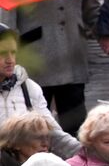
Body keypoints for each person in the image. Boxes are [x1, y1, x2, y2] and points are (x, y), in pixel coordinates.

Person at [0, 0, 99, 133]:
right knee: (34, 124)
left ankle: (76, 153)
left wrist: (93, 31)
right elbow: (7, 14)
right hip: (36, 58)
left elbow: (91, 7)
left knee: (76, 124)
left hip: (73, 57)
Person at [0, 28, 81, 156]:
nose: (10, 60)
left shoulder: (29, 88)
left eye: (13, 52)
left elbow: (53, 133)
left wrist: (87, 153)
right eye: (3, 53)